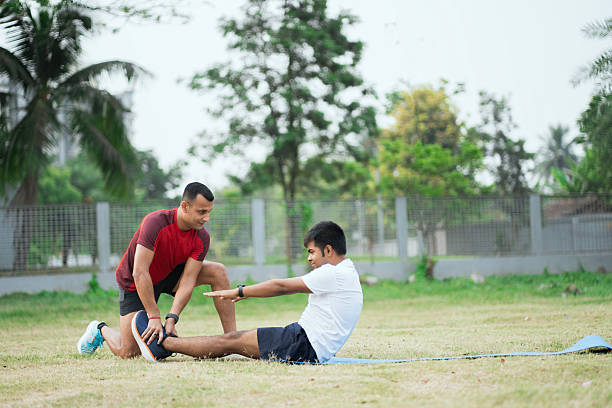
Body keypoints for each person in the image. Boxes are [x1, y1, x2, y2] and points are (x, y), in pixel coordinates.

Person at [131, 221, 363, 363]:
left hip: (301, 345)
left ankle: (164, 343)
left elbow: (281, 286)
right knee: (234, 340)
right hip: (304, 343)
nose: (309, 258)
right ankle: (167, 343)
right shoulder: (346, 271)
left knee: (231, 340)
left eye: (312, 252)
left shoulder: (332, 274)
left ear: (329, 250)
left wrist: (239, 292)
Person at [77, 182, 236, 358]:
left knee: (217, 271)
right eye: (201, 212)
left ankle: (233, 341)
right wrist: (153, 316)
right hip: (135, 281)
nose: (207, 218)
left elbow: (188, 280)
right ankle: (100, 329)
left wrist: (171, 318)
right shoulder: (155, 222)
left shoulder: (202, 237)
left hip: (168, 275)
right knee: (129, 352)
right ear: (185, 206)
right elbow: (140, 271)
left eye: (208, 212)